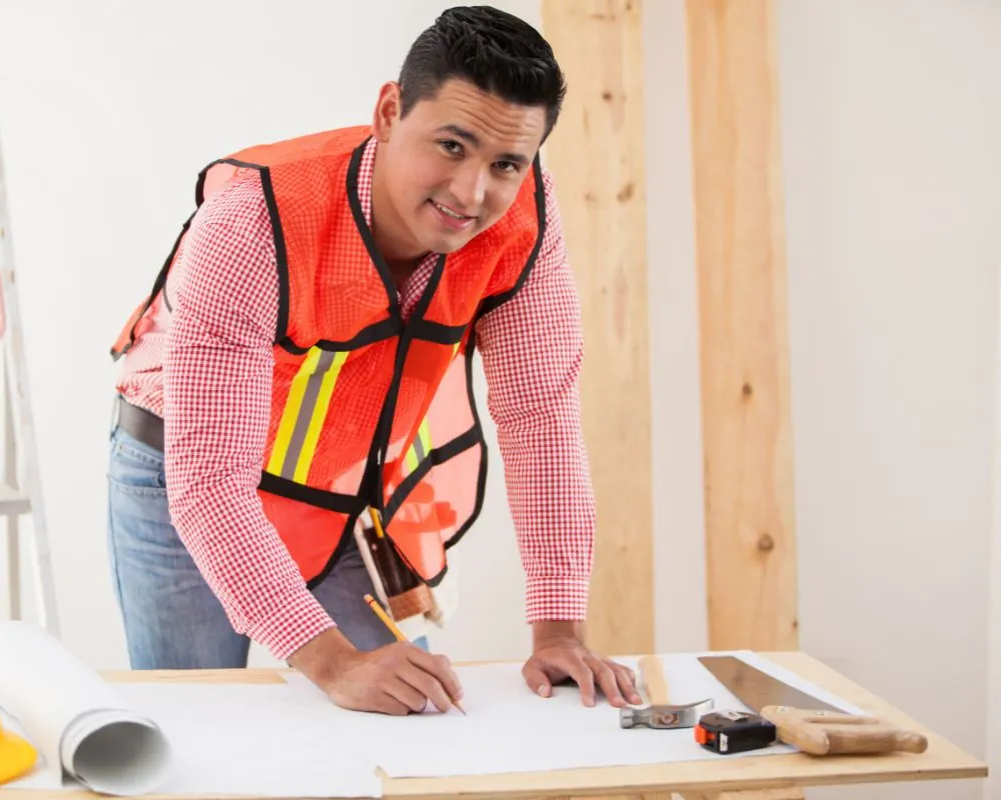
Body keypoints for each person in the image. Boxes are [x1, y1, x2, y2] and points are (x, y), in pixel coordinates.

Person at [105, 4, 642, 716]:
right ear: (389, 112)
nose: (471, 194)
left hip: (328, 490)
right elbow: (209, 484)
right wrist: (329, 664)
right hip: (181, 474)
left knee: (412, 717)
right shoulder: (252, 222)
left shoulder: (523, 227)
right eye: (451, 145)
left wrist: (560, 627)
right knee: (203, 731)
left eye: (506, 163)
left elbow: (540, 419)